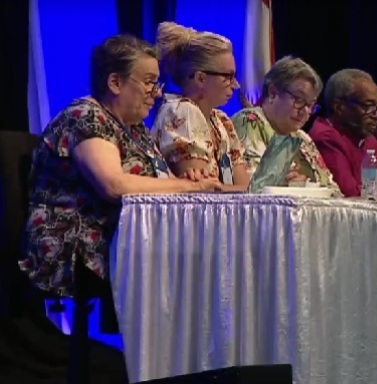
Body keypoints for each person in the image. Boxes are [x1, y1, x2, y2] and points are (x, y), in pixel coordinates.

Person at [10, 35, 220, 383]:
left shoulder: (134, 130)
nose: (156, 92)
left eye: (157, 82)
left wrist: (190, 177)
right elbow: (113, 185)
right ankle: (165, 367)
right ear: (115, 81)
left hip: (122, 236)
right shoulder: (86, 116)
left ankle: (187, 364)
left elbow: (158, 182)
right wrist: (190, 186)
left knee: (207, 259)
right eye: (149, 81)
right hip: (75, 242)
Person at [151, 22, 249, 191]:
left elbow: (246, 187)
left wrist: (226, 188)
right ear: (200, 78)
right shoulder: (181, 112)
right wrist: (229, 188)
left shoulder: (221, 120)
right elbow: (201, 191)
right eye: (228, 77)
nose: (236, 85)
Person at [231, 56, 341, 196]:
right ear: (273, 93)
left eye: (310, 105)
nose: (305, 111)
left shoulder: (302, 137)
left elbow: (334, 191)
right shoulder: (249, 121)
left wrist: (304, 184)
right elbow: (254, 188)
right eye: (299, 100)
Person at [309, 69, 377, 198]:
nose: (376, 116)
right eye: (368, 106)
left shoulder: (370, 141)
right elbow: (348, 193)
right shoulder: (326, 137)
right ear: (339, 107)